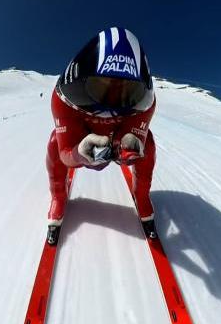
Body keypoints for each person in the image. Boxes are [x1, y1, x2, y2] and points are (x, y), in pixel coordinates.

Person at [45, 27, 157, 245]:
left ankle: (141, 194)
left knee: (146, 144)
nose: (110, 104)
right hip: (93, 130)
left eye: (127, 92)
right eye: (101, 86)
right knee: (54, 143)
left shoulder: (65, 97)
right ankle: (58, 195)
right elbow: (63, 151)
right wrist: (78, 153)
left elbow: (66, 154)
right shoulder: (142, 104)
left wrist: (127, 151)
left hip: (96, 129)